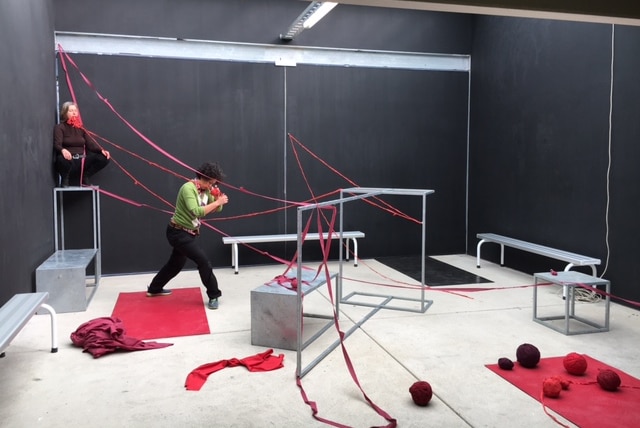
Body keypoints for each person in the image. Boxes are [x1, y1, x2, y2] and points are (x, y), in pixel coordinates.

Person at [147, 162, 229, 310]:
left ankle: (154, 288)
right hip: (177, 232)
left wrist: (218, 199)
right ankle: (214, 295)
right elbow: (197, 211)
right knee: (203, 261)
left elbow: (218, 209)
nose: (212, 186)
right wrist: (217, 201)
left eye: (214, 184)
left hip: (189, 234)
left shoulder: (207, 190)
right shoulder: (188, 188)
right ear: (203, 178)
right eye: (210, 183)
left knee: (175, 265)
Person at [53, 101, 111, 187]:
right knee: (61, 159)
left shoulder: (81, 128)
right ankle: (65, 180)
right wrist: (63, 150)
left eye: (75, 111)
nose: (74, 113)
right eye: (71, 111)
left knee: (104, 157)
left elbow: (90, 144)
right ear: (65, 113)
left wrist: (101, 150)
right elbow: (57, 144)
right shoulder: (60, 127)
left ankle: (85, 177)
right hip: (69, 160)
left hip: (82, 161)